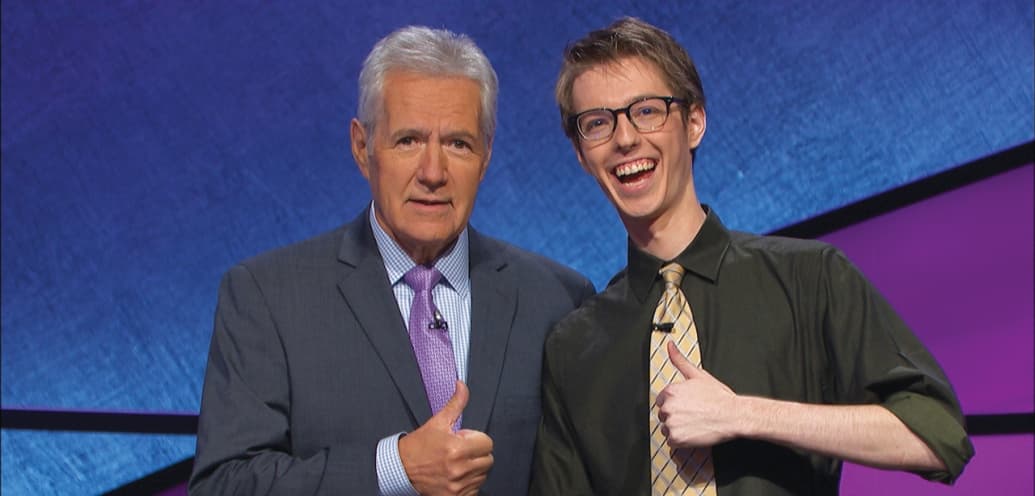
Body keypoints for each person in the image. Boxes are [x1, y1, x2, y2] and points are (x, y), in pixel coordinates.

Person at [531, 17, 973, 495]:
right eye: (598, 122)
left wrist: (744, 414)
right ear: (580, 153)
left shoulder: (810, 277)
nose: (624, 138)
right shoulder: (574, 346)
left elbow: (938, 436)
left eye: (646, 111)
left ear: (694, 121)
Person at [189, 25, 594, 496]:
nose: (433, 173)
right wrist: (395, 467)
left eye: (458, 144)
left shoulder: (558, 300)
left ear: (486, 155)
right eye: (408, 141)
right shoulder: (267, 297)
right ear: (363, 149)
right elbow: (224, 485)